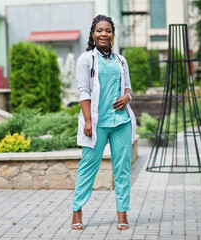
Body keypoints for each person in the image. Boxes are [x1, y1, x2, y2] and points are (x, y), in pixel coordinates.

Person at [71, 15, 137, 231]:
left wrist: (127, 96)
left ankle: (122, 214)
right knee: (88, 167)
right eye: (99, 30)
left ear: (112, 34)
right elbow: (83, 91)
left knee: (122, 168)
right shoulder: (86, 59)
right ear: (93, 34)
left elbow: (127, 87)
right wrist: (87, 121)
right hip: (97, 123)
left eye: (108, 30)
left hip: (121, 121)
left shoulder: (121, 60)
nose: (104, 34)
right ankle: (77, 210)